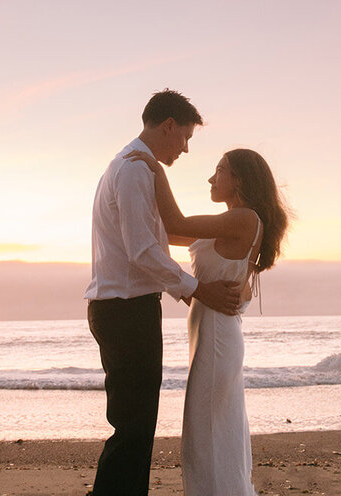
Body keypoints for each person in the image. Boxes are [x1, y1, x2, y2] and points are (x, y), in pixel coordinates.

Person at [85, 89, 242, 496]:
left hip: (119, 306)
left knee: (133, 423)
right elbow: (142, 251)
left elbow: (164, 233)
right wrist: (196, 289)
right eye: (185, 137)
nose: (186, 149)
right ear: (168, 125)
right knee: (134, 426)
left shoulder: (131, 164)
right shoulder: (136, 170)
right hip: (126, 309)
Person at [125, 145, 290, 496]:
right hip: (212, 336)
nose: (211, 178)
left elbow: (175, 223)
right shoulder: (233, 223)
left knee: (209, 438)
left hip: (216, 338)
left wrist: (156, 170)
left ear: (240, 180)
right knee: (211, 434)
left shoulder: (244, 218)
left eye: (220, 170)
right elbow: (169, 234)